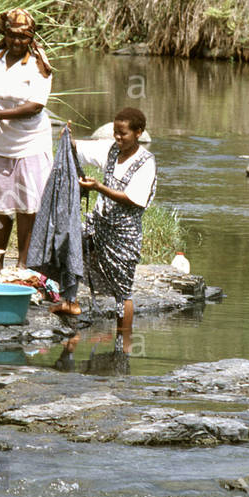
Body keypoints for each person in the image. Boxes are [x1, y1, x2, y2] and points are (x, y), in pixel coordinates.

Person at [0, 8, 54, 269]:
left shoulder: (40, 64)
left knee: (28, 206)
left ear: (31, 38)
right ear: (4, 35)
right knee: (1, 205)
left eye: (23, 37)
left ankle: (23, 264)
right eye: (12, 36)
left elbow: (35, 106)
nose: (17, 42)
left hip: (30, 142)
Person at [69, 107, 157, 339]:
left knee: (122, 291)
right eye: (115, 132)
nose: (118, 138)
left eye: (123, 133)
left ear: (139, 133)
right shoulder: (111, 151)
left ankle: (124, 341)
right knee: (70, 252)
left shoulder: (145, 162)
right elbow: (78, 148)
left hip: (124, 234)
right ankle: (70, 304)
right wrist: (68, 137)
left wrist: (99, 187)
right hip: (99, 227)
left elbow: (133, 199)